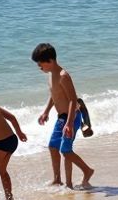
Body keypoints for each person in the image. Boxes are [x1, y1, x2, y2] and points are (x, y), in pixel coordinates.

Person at [31, 43, 95, 189]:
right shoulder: (50, 75)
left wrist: (70, 123)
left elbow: (72, 99)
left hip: (72, 117)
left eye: (40, 64)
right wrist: (46, 111)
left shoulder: (63, 76)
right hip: (62, 118)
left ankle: (84, 173)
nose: (39, 67)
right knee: (53, 147)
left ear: (50, 61)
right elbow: (54, 95)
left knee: (66, 151)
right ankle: (57, 180)